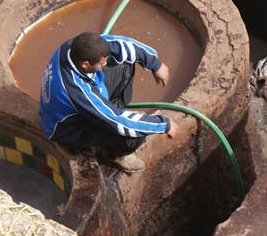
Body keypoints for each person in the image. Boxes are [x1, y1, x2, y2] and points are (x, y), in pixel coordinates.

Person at [38, 31, 178, 173]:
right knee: (133, 134)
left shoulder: (72, 47)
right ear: (85, 64)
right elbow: (120, 123)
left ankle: (111, 111)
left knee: (125, 63)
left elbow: (119, 44)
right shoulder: (76, 91)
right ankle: (115, 154)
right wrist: (163, 124)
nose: (105, 64)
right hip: (68, 128)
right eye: (101, 63)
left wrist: (155, 64)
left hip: (77, 104)